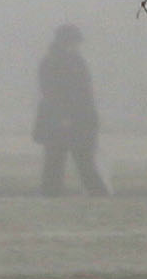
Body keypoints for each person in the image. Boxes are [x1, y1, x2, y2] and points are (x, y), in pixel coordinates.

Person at [33, 24, 106, 196]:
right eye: (74, 42)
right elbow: (52, 93)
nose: (77, 46)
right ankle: (53, 195)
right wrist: (64, 116)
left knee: (78, 161)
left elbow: (85, 94)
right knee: (58, 162)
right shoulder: (53, 63)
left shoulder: (73, 61)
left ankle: (96, 194)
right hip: (62, 121)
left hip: (76, 120)